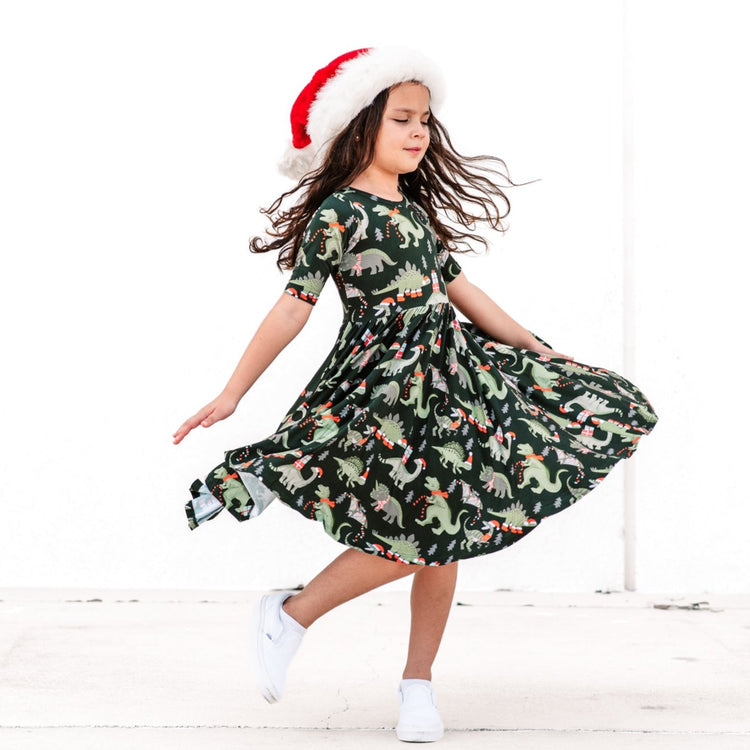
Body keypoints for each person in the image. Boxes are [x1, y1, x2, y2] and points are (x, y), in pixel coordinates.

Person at [173, 47, 657, 743]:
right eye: (402, 118)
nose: (418, 132)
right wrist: (232, 392)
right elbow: (292, 307)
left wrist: (534, 347)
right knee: (417, 532)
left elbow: (463, 292)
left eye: (425, 120)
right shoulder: (340, 213)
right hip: (384, 387)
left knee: (446, 527)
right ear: (360, 125)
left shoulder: (415, 213)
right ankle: (292, 613)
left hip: (450, 381)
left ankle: (417, 685)